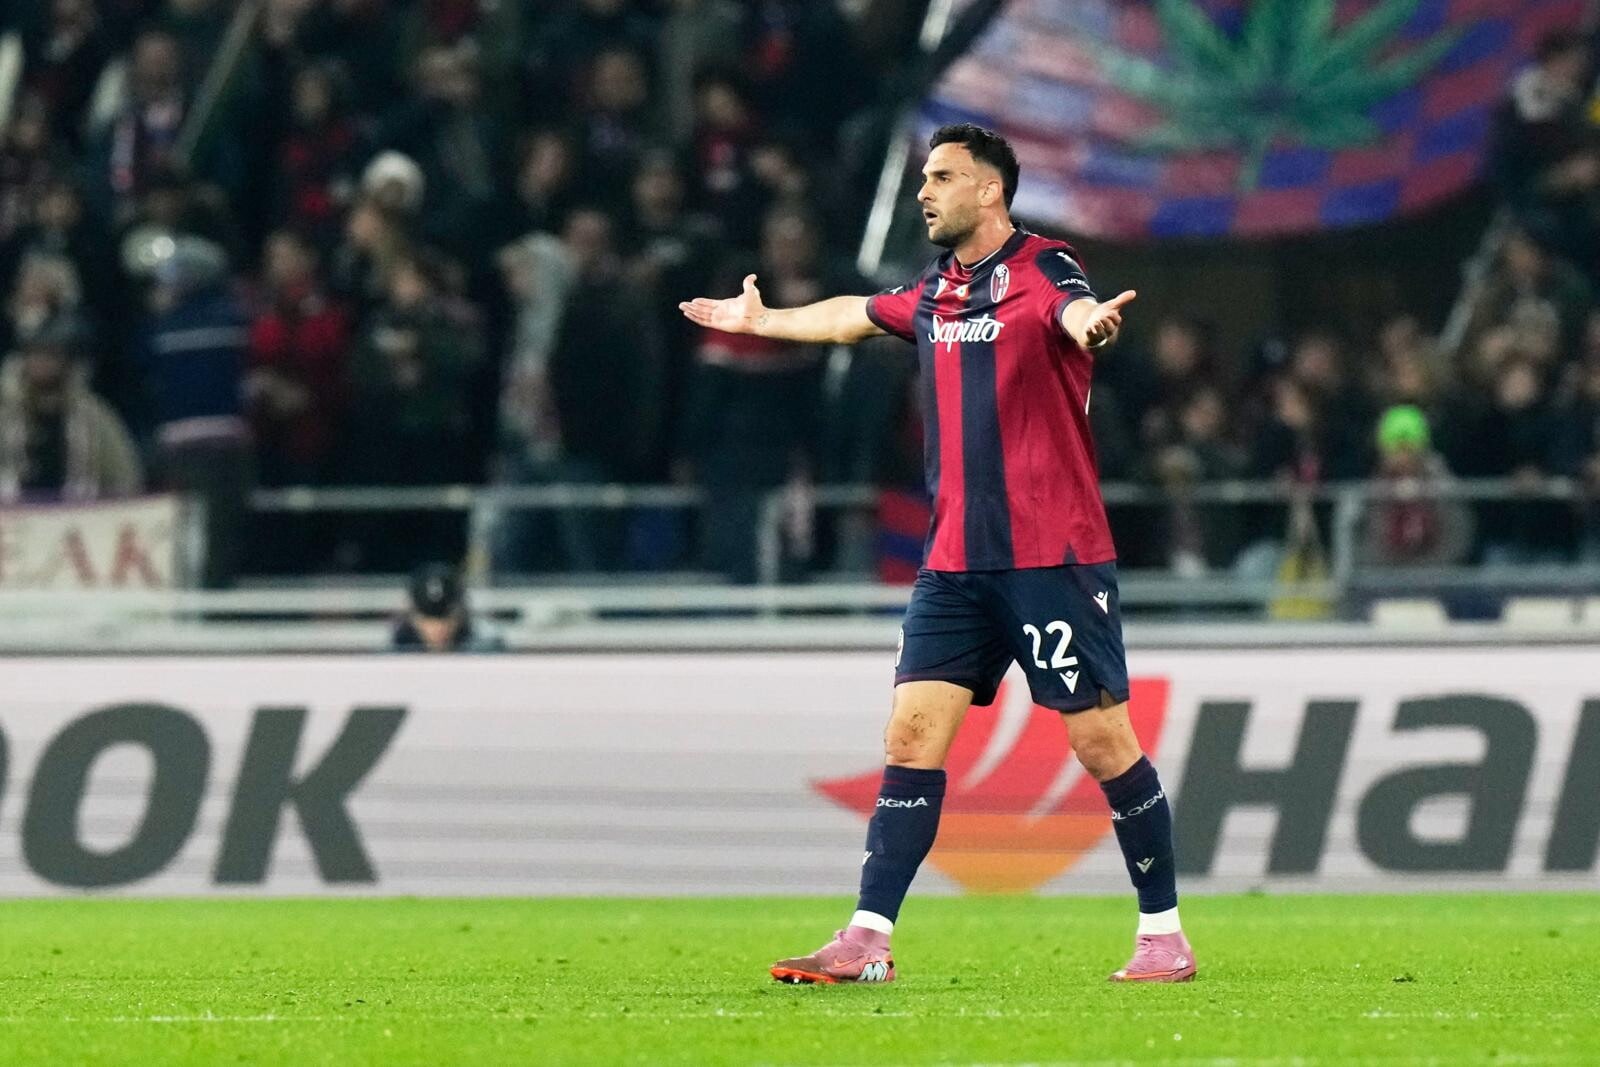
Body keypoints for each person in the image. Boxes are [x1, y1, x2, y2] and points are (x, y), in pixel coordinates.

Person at [680, 123, 1191, 985]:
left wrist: (1093, 326)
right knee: (912, 737)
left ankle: (1163, 933)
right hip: (954, 559)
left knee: (1103, 743)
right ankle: (866, 937)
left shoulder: (1046, 267)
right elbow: (853, 315)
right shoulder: (935, 290)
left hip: (1049, 554)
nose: (925, 191)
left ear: (990, 190)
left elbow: (1074, 310)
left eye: (943, 177)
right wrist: (764, 320)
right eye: (924, 177)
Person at [390, 563, 504, 653]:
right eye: (428, 617)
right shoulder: (394, 654)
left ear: (461, 612)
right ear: (412, 615)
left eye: (446, 616)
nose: (438, 627)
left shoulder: (485, 652)